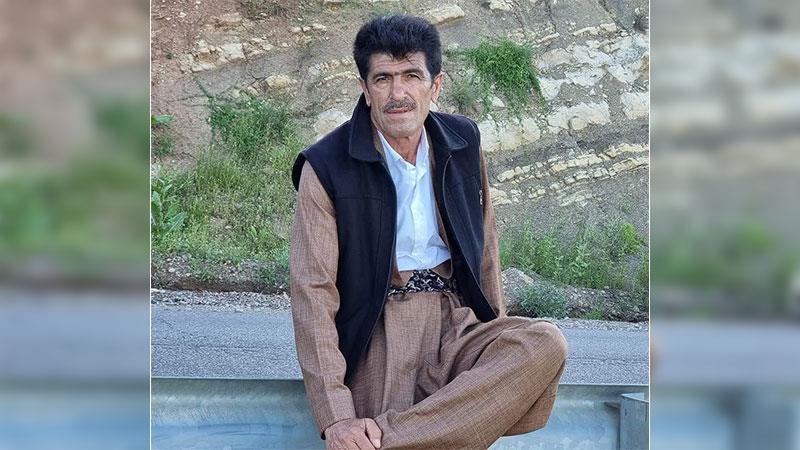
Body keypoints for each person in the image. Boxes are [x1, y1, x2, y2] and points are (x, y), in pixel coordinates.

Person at [289, 15, 568, 450]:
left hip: (456, 323)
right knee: (389, 426)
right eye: (383, 78)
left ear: (435, 85)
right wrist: (337, 416)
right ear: (364, 89)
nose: (397, 93)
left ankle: (389, 440)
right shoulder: (326, 166)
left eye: (411, 76)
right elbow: (312, 291)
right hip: (379, 332)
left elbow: (485, 248)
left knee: (544, 342)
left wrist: (493, 346)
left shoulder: (462, 142)